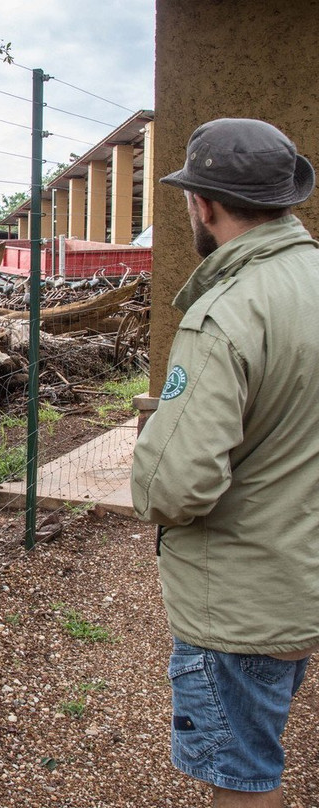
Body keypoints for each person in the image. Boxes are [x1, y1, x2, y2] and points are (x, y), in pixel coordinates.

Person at [131, 118, 319, 807]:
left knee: (242, 780)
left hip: (240, 605)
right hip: (299, 578)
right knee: (258, 748)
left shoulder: (226, 314)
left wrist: (157, 442)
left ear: (201, 205)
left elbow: (174, 487)